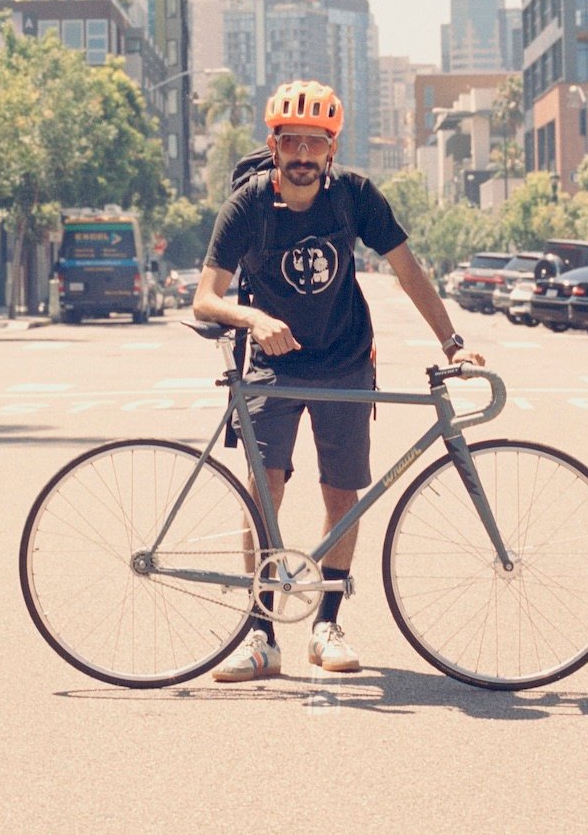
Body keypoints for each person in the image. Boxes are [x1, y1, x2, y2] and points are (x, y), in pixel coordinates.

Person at [192, 79, 484, 682]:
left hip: (346, 359)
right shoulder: (248, 205)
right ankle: (261, 633)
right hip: (274, 365)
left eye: (315, 145)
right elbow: (205, 299)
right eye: (291, 143)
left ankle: (326, 622)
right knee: (262, 494)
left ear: (331, 150)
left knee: (342, 493)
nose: (302, 157)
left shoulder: (354, 197)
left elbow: (407, 270)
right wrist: (253, 317)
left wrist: (453, 342)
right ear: (274, 147)